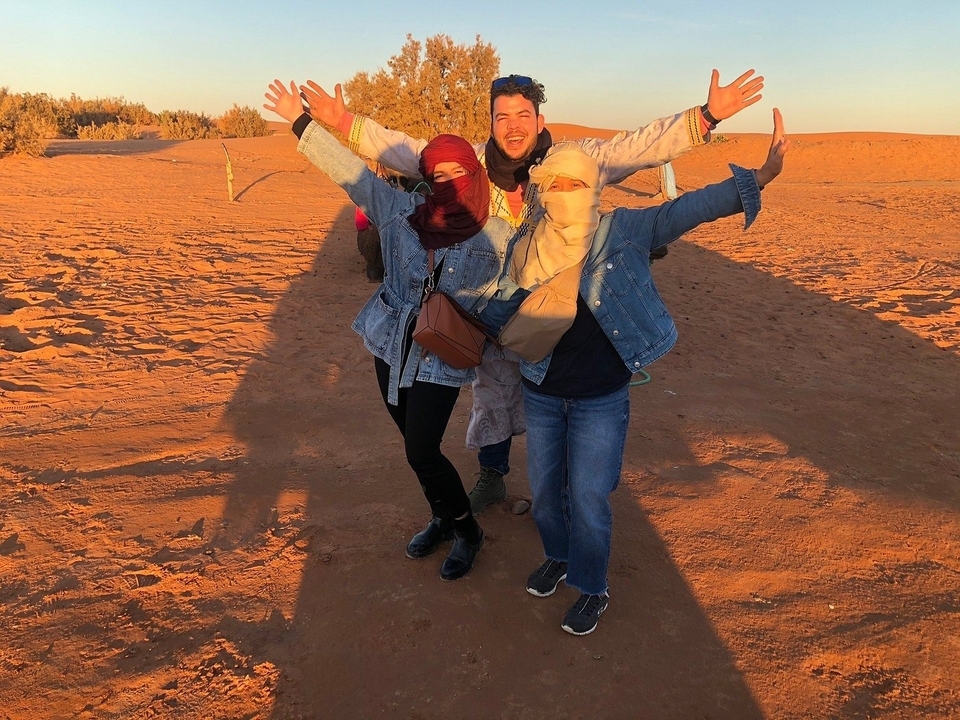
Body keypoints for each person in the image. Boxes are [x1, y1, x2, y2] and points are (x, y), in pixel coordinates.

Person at [298, 69, 764, 515]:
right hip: (490, 308)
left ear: (540, 120)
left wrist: (706, 116)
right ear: (491, 123)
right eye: (502, 117)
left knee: (558, 399)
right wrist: (343, 121)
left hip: (558, 309)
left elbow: (637, 147)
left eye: (523, 115)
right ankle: (492, 475)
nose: (513, 126)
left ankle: (563, 492)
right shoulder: (474, 164)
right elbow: (408, 151)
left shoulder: (571, 160)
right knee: (492, 396)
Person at [479, 109, 790, 635]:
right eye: (554, 185)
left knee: (588, 497)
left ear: (594, 187)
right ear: (541, 190)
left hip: (601, 397)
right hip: (541, 388)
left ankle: (592, 586)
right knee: (547, 493)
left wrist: (757, 179)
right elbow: (502, 303)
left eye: (576, 183)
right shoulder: (528, 241)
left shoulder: (623, 231)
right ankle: (558, 556)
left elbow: (688, 210)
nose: (564, 193)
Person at [262, 79, 517, 581]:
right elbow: (351, 174)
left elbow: (509, 296)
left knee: (421, 449)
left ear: (473, 174)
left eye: (458, 171)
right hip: (390, 340)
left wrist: (484, 325)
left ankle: (467, 530)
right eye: (437, 174)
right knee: (412, 446)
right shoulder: (401, 212)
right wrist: (300, 122)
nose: (448, 182)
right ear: (426, 179)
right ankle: (442, 515)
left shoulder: (498, 235)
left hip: (443, 353)